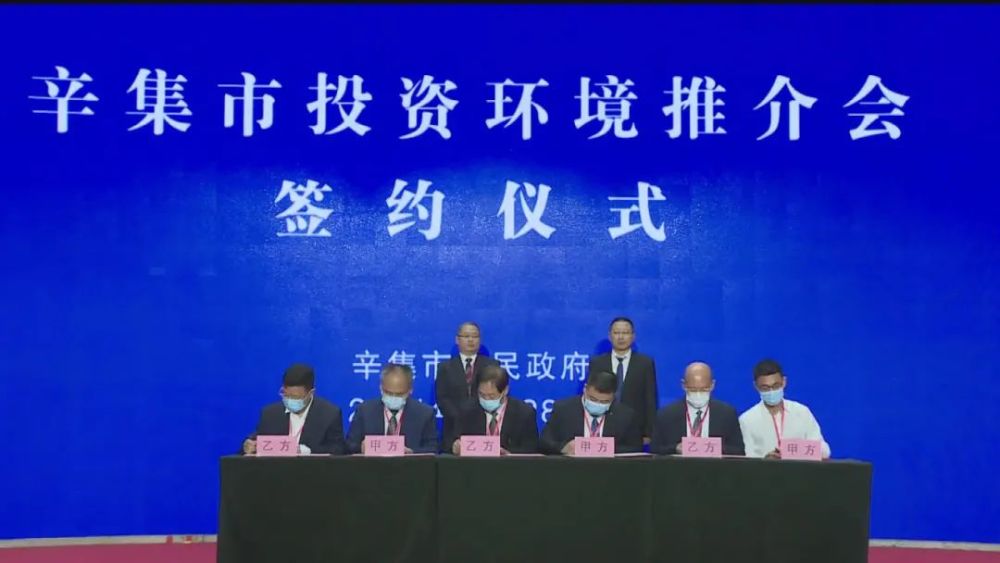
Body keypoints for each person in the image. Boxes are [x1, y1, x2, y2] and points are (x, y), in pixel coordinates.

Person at [242, 363, 346, 455]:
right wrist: (249, 446)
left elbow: (338, 450)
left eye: (295, 397)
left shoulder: (329, 414)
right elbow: (255, 440)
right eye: (286, 395)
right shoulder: (269, 414)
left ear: (311, 393)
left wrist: (305, 451)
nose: (290, 400)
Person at [739, 359, 831, 459]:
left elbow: (825, 451)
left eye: (776, 386)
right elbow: (746, 459)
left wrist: (791, 451)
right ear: (756, 387)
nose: (771, 391)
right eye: (765, 388)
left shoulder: (802, 412)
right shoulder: (747, 420)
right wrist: (765, 461)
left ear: (784, 382)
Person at [587, 317, 659, 444]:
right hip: (603, 425)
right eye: (616, 333)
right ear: (610, 336)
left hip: (634, 428)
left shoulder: (645, 363)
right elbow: (591, 395)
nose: (621, 337)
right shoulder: (597, 362)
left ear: (633, 336)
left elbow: (650, 399)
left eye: (625, 333)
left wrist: (649, 432)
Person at [650, 361, 745, 455]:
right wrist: (675, 448)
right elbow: (655, 450)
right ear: (683, 385)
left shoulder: (727, 414)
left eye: (704, 389)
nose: (698, 394)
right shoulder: (666, 415)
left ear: (712, 385)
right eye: (693, 389)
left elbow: (739, 450)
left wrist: (713, 448)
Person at [539, 369, 642, 455]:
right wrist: (563, 448)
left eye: (604, 402)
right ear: (585, 389)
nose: (598, 404)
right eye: (593, 399)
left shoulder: (626, 415)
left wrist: (605, 448)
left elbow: (635, 448)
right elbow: (544, 442)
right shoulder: (563, 409)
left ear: (613, 397)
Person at [435, 322, 499, 451]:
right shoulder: (445, 367)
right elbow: (442, 398)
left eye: (475, 336)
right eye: (466, 336)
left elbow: (496, 394)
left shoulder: (491, 365)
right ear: (457, 339)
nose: (471, 340)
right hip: (453, 428)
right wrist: (460, 417)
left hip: (483, 427)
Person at [347, 363, 438, 454]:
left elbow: (432, 448)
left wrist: (411, 452)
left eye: (399, 394)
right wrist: (361, 447)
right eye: (388, 393)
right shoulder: (365, 411)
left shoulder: (425, 414)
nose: (393, 398)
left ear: (410, 390)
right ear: (381, 388)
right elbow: (349, 446)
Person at [449, 365, 538, 455]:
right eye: (482, 395)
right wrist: (455, 446)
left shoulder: (524, 413)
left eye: (491, 396)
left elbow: (530, 450)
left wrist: (508, 455)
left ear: (505, 391)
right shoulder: (467, 411)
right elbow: (451, 442)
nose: (486, 399)